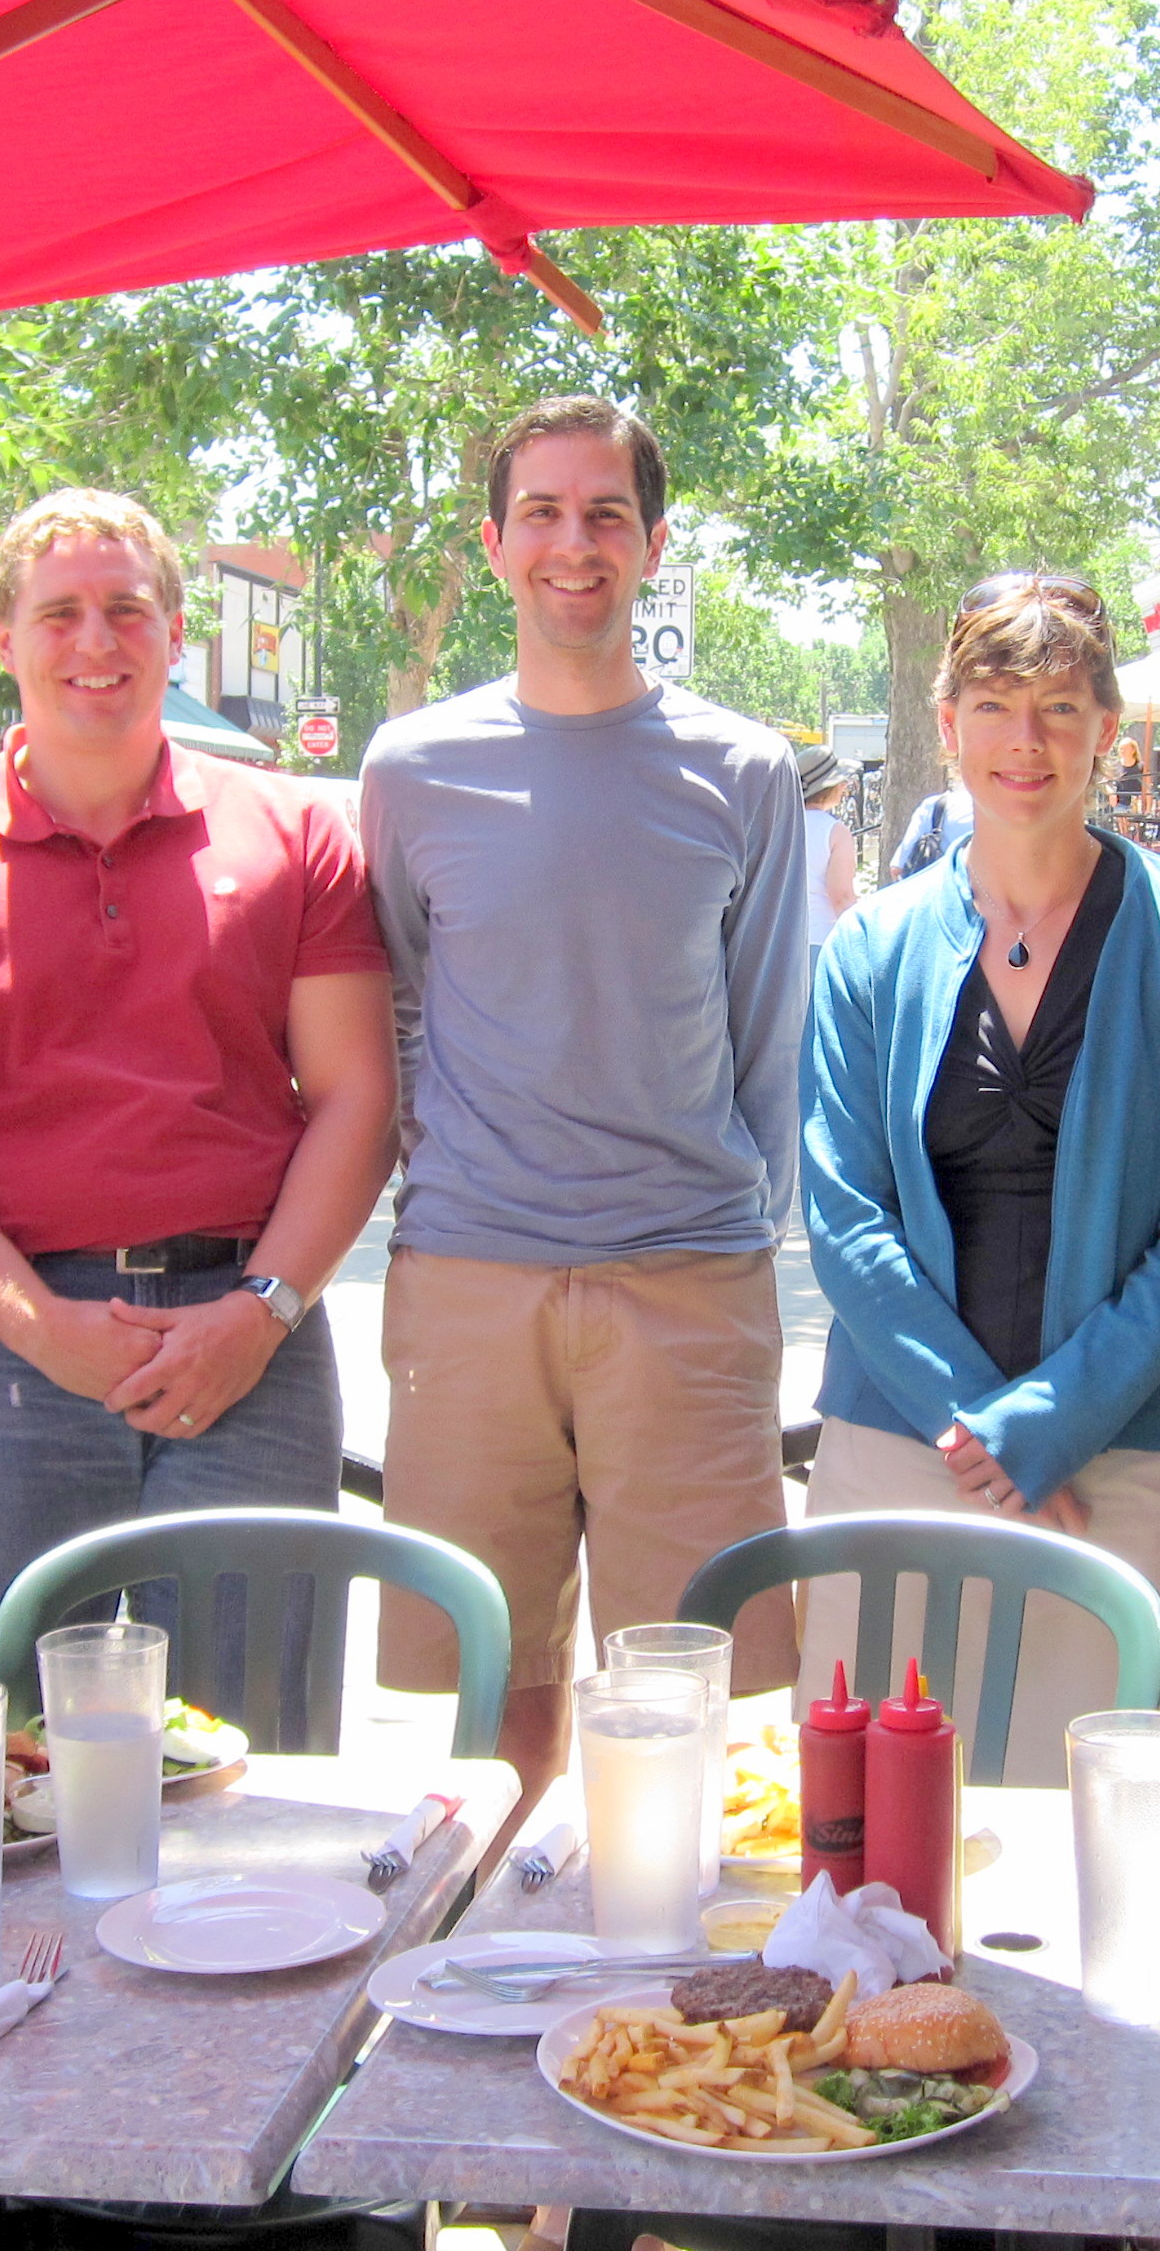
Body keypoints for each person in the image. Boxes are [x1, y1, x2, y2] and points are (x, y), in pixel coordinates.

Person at [0, 489, 398, 1687]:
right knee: (6, 1782)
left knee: (255, 1775)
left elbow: (357, 1096)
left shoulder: (296, 834)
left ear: (175, 629)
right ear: (5, 638)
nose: (94, 644)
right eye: (59, 615)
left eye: (125, 611)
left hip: (246, 1340)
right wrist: (42, 1332)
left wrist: (261, 1312)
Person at [359, 396, 808, 1804]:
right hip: (471, 1281)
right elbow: (400, 1004)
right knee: (502, 1704)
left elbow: (768, 1038)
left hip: (685, 1279)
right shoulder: (409, 769)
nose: (574, 544)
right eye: (542, 514)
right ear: (494, 546)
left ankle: (678, 2009)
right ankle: (504, 1970)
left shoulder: (745, 772)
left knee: (698, 1701)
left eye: (606, 514)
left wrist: (723, 1215)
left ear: (654, 546)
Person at [801, 572, 1160, 1780]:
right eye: (997, 705)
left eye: (1061, 707)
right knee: (876, 1836)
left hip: (1142, 1456)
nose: (1028, 740)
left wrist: (1053, 1421)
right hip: (902, 1445)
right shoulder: (871, 946)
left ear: (1108, 730)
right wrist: (978, 1426)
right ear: (948, 725)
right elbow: (843, 1213)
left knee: (1123, 1843)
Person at [798, 743, 859, 949]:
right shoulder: (834, 831)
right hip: (818, 937)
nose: (845, 786)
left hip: (775, 940)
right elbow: (841, 896)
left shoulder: (775, 825)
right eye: (841, 781)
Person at [889, 781, 973, 880]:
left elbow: (898, 865)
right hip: (983, 884)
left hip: (937, 883)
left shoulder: (934, 804)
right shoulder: (990, 806)